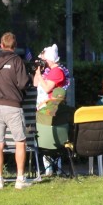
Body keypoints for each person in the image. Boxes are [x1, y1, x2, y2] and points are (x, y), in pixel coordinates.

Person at [0, 32, 32, 189]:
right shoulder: (16, 60)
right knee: (20, 142)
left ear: (1, 45)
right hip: (12, 106)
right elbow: (23, 83)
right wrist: (30, 78)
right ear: (15, 45)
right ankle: (20, 179)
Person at [33, 44, 68, 173]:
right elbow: (35, 83)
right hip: (43, 108)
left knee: (53, 137)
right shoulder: (47, 71)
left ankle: (56, 166)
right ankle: (48, 168)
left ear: (49, 59)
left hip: (51, 107)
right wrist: (38, 71)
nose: (43, 62)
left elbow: (47, 88)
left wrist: (41, 75)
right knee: (43, 137)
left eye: (44, 60)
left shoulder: (57, 71)